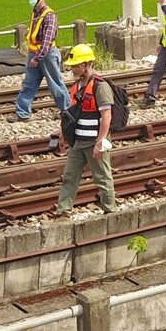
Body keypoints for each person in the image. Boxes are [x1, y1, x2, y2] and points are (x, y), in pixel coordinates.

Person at [56, 44, 116, 214]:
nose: (73, 69)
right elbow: (74, 114)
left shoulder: (100, 86)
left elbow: (107, 116)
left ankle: (110, 211)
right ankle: (63, 211)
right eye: (72, 65)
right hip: (77, 142)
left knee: (102, 178)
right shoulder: (77, 86)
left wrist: (100, 141)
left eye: (76, 65)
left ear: (87, 64)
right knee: (69, 177)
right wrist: (62, 132)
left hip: (93, 142)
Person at [15, 0, 70, 121]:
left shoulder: (49, 16)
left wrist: (36, 58)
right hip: (35, 54)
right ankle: (22, 113)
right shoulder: (35, 13)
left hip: (46, 55)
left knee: (55, 84)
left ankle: (68, 112)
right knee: (28, 84)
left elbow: (47, 41)